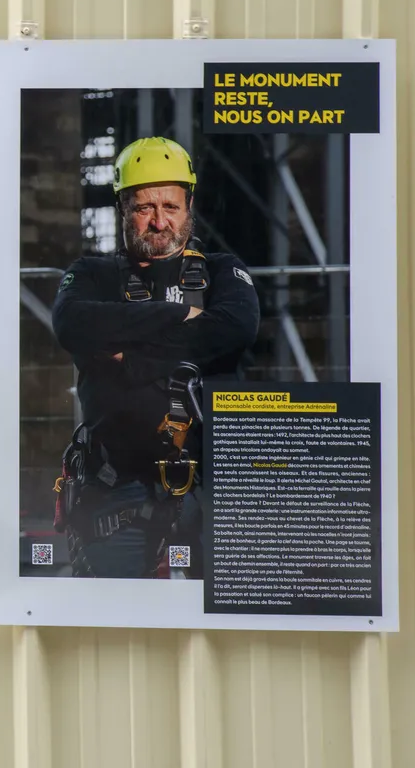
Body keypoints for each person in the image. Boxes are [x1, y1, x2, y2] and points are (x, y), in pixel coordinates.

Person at [51, 135, 260, 579]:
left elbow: (235, 328)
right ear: (123, 210)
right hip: (118, 489)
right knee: (111, 626)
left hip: (218, 487)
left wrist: (132, 358)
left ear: (189, 207)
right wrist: (180, 314)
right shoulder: (91, 275)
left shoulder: (223, 271)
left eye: (170, 207)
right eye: (144, 208)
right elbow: (71, 324)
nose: (158, 221)